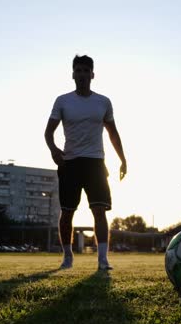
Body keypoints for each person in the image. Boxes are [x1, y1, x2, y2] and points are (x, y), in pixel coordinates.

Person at [44, 55, 127, 270]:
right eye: (78, 71)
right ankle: (68, 257)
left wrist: (123, 159)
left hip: (96, 163)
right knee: (67, 212)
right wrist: (54, 150)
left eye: (85, 71)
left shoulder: (103, 102)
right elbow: (48, 132)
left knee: (99, 211)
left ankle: (102, 260)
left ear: (92, 75)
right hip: (70, 163)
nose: (81, 75)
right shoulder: (62, 101)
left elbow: (113, 134)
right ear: (73, 74)